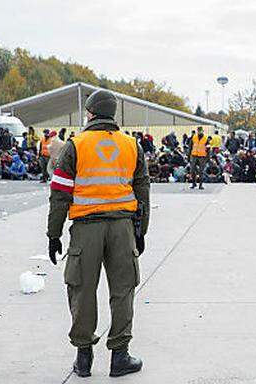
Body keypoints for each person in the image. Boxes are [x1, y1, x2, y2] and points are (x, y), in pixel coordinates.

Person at [47, 89, 150, 378]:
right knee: (123, 290)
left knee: (82, 289)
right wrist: (141, 230)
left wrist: (53, 234)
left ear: (90, 113)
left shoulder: (75, 145)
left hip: (86, 229)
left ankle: (83, 357)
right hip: (122, 228)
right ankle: (120, 356)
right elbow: (142, 190)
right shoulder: (132, 145)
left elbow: (60, 193)